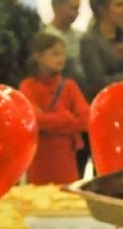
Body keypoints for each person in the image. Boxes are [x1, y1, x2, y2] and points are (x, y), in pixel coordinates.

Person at [18, 32, 89, 185]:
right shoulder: (28, 86)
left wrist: (49, 122)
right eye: (55, 54)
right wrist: (66, 117)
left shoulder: (69, 86)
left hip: (66, 159)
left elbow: (85, 120)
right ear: (38, 56)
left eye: (63, 54)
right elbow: (33, 120)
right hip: (39, 158)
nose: (61, 58)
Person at [46, 0, 85, 88]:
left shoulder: (81, 36)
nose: (77, 13)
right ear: (57, 7)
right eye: (73, 8)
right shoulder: (46, 38)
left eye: (78, 8)